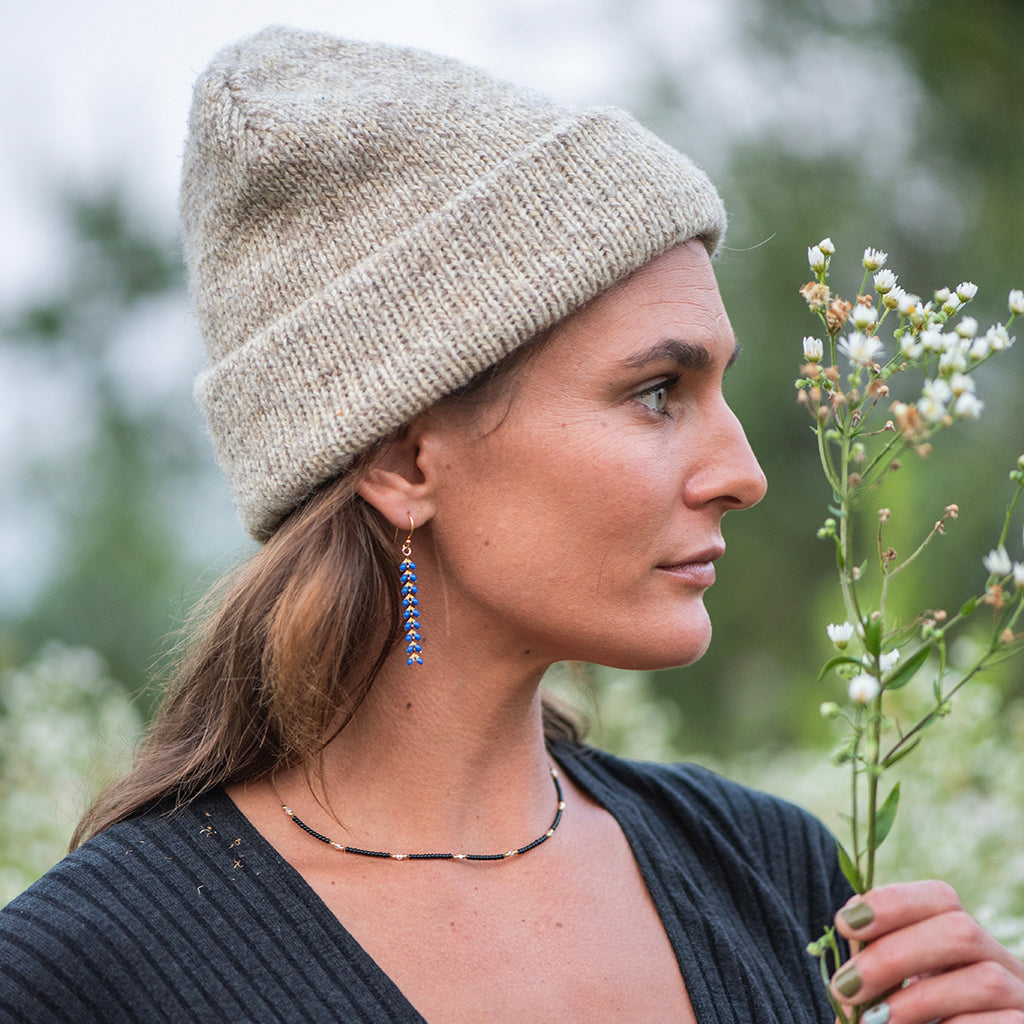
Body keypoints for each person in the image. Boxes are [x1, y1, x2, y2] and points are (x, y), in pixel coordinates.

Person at [1, 25, 1022, 1024]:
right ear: (403, 459)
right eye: (659, 392)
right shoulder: (81, 978)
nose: (743, 473)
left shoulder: (779, 878)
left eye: (720, 388)